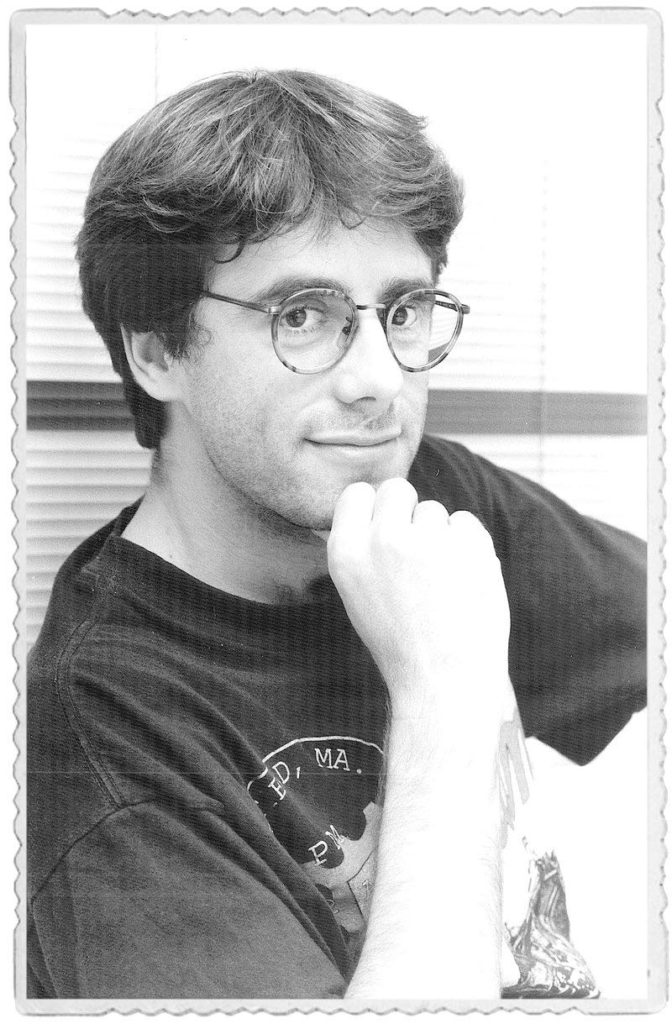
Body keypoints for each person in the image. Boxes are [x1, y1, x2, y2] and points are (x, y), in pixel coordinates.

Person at [26, 70, 646, 1001]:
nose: (379, 381)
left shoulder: (428, 498)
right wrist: (444, 697)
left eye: (403, 311)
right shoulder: (103, 728)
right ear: (156, 350)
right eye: (303, 316)